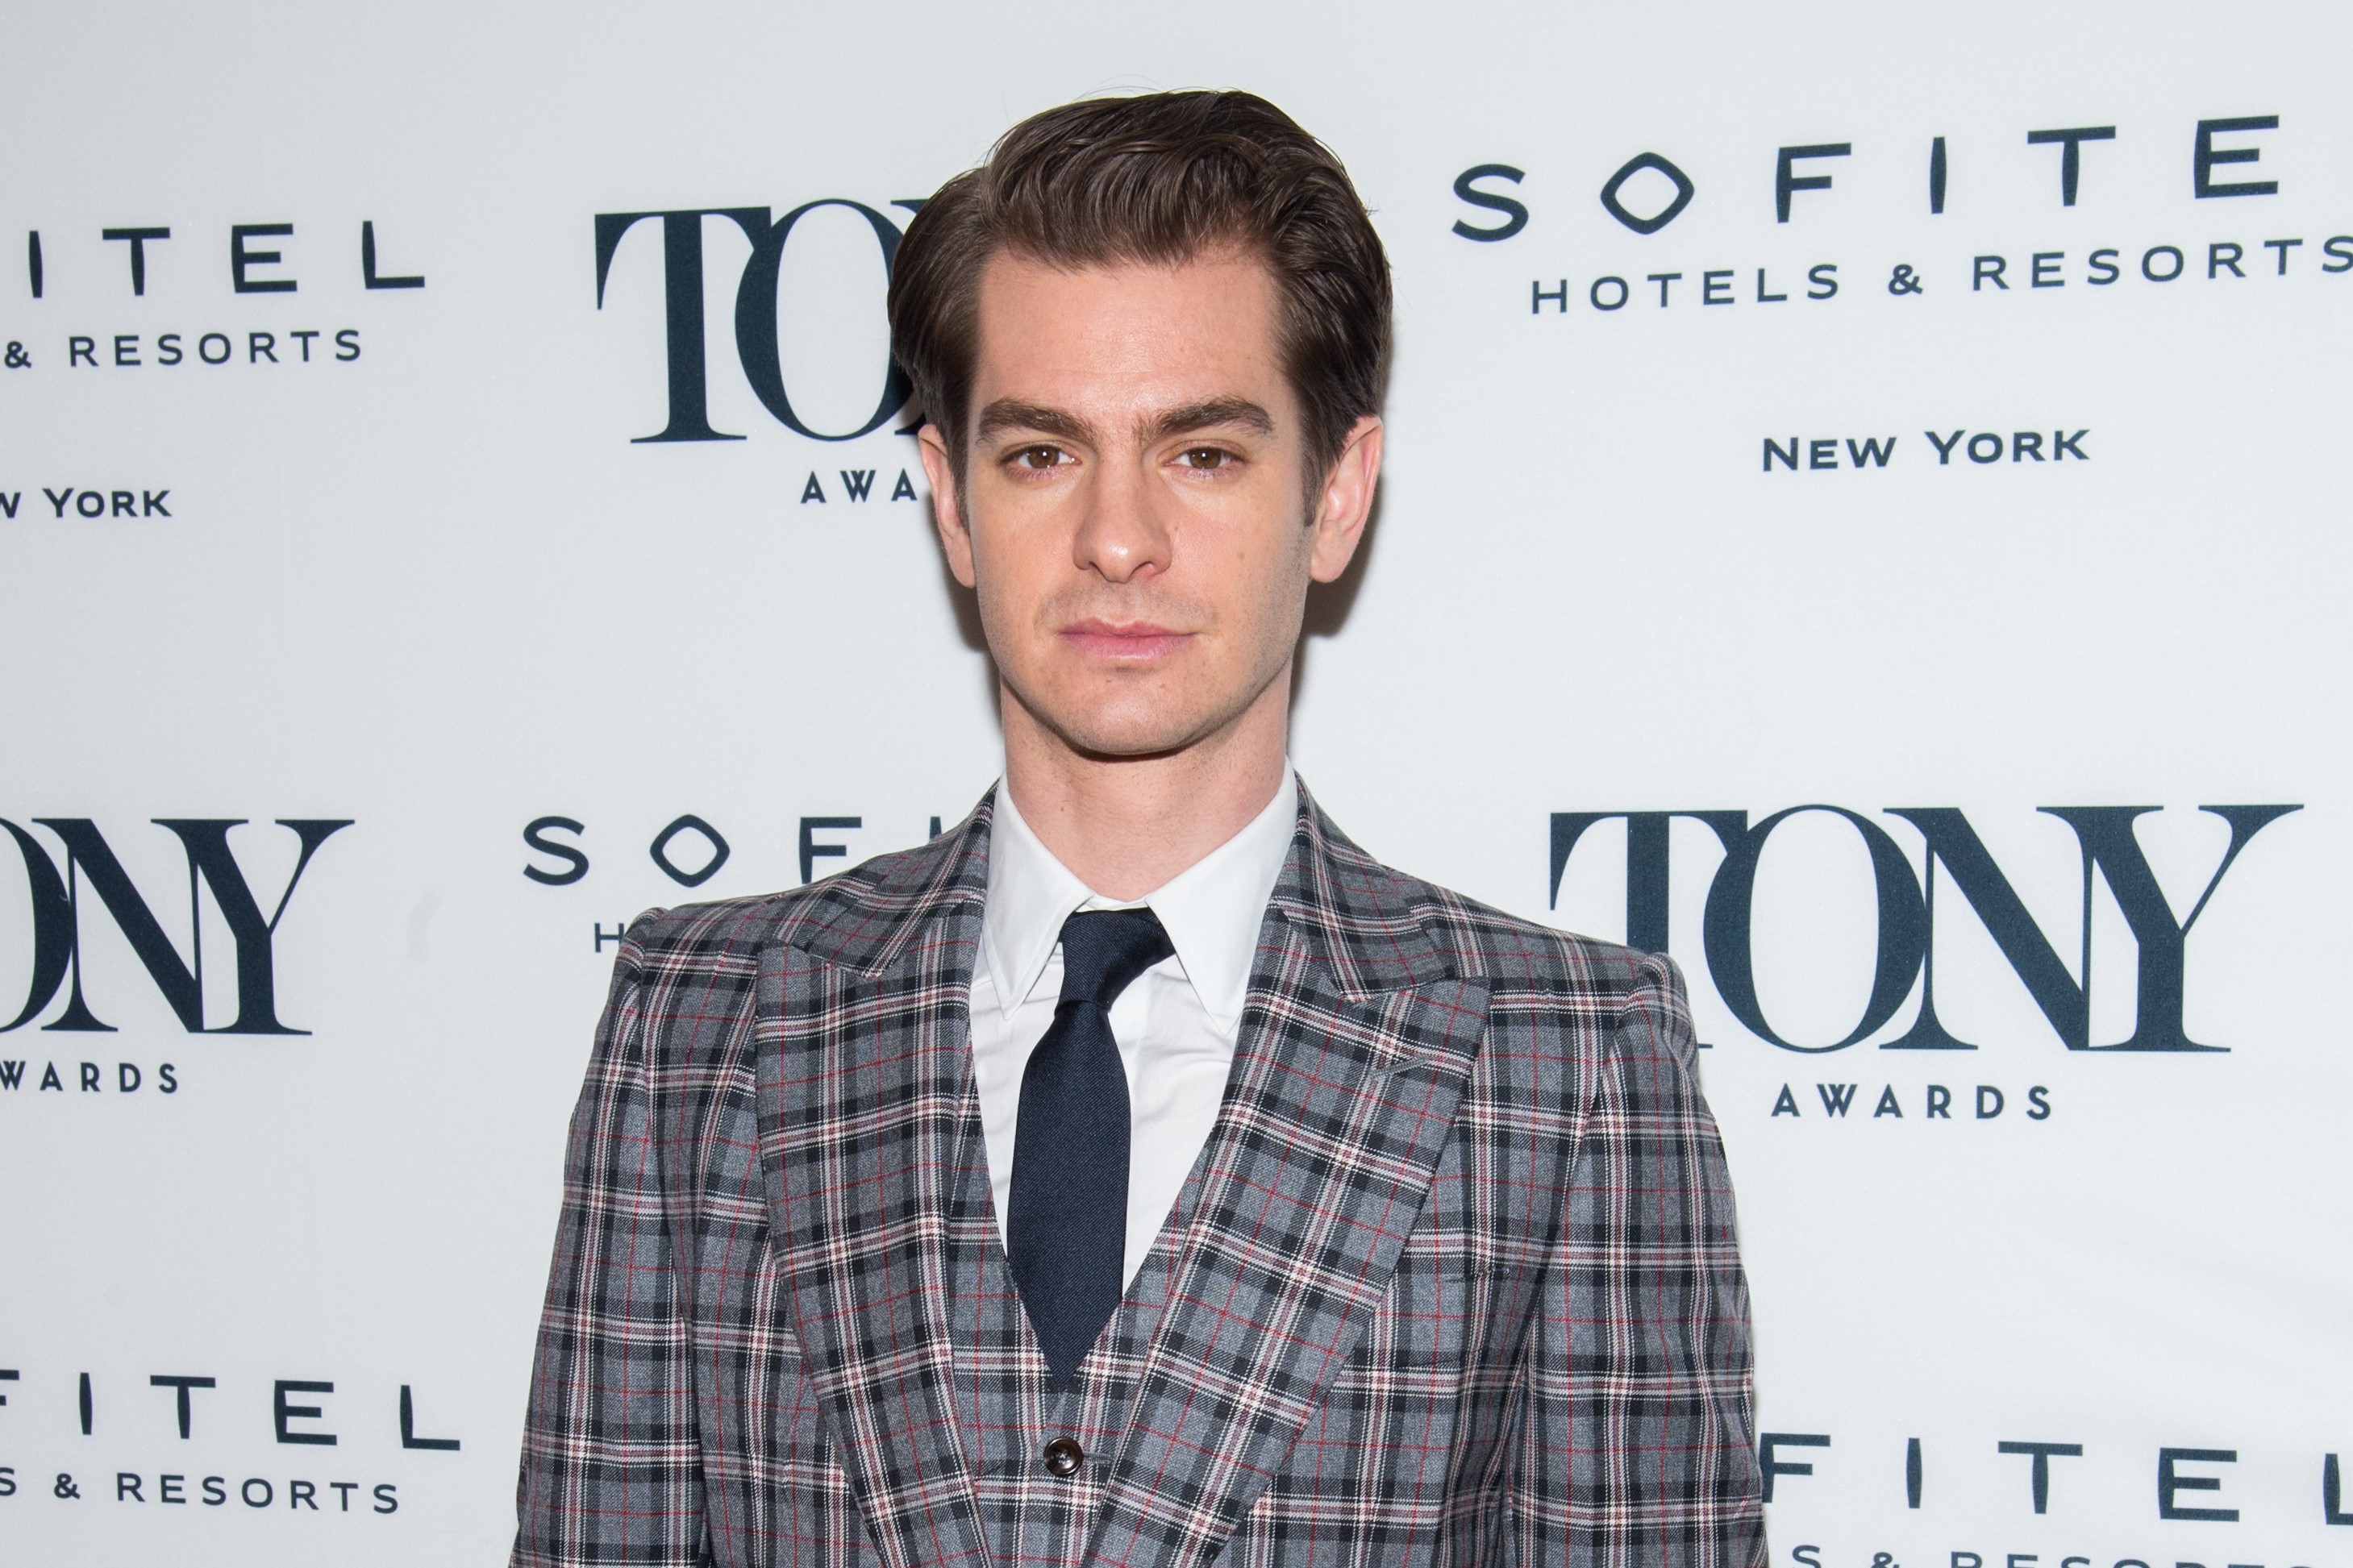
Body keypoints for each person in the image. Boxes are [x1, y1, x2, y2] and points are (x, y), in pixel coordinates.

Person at [513, 89, 1764, 1568]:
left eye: (1202, 454)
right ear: (950, 501)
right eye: (1043, 452)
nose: (1118, 538)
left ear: (1337, 493)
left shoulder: (1565, 1058)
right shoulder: (702, 1019)